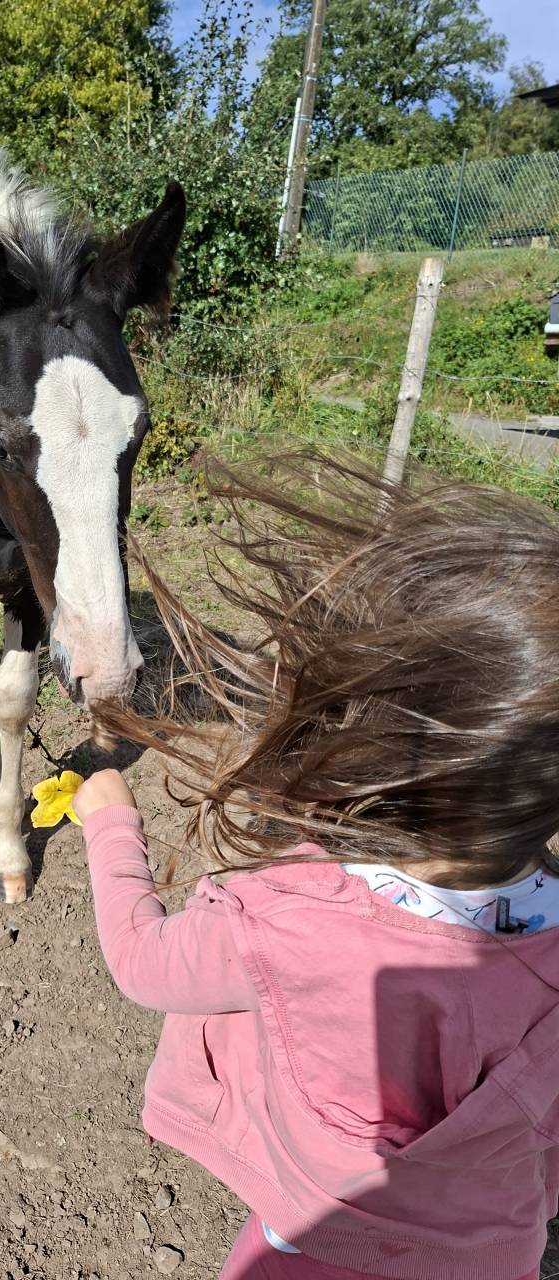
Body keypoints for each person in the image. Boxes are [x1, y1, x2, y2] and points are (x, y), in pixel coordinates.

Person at [73, 450, 559, 1280]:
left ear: (376, 751)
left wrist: (113, 825)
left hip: (312, 1245)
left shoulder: (290, 918)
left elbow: (144, 965)